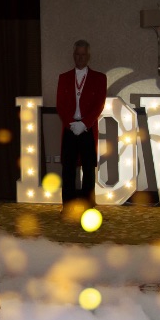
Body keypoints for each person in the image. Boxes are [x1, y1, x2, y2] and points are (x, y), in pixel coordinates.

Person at [55, 39, 107, 215]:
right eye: (77, 54)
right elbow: (60, 104)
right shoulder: (64, 77)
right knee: (68, 168)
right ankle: (67, 205)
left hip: (87, 128)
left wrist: (84, 124)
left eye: (83, 55)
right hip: (70, 128)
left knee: (88, 168)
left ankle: (89, 205)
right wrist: (72, 123)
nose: (80, 58)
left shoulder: (100, 78)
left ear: (88, 56)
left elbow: (99, 104)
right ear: (73, 55)